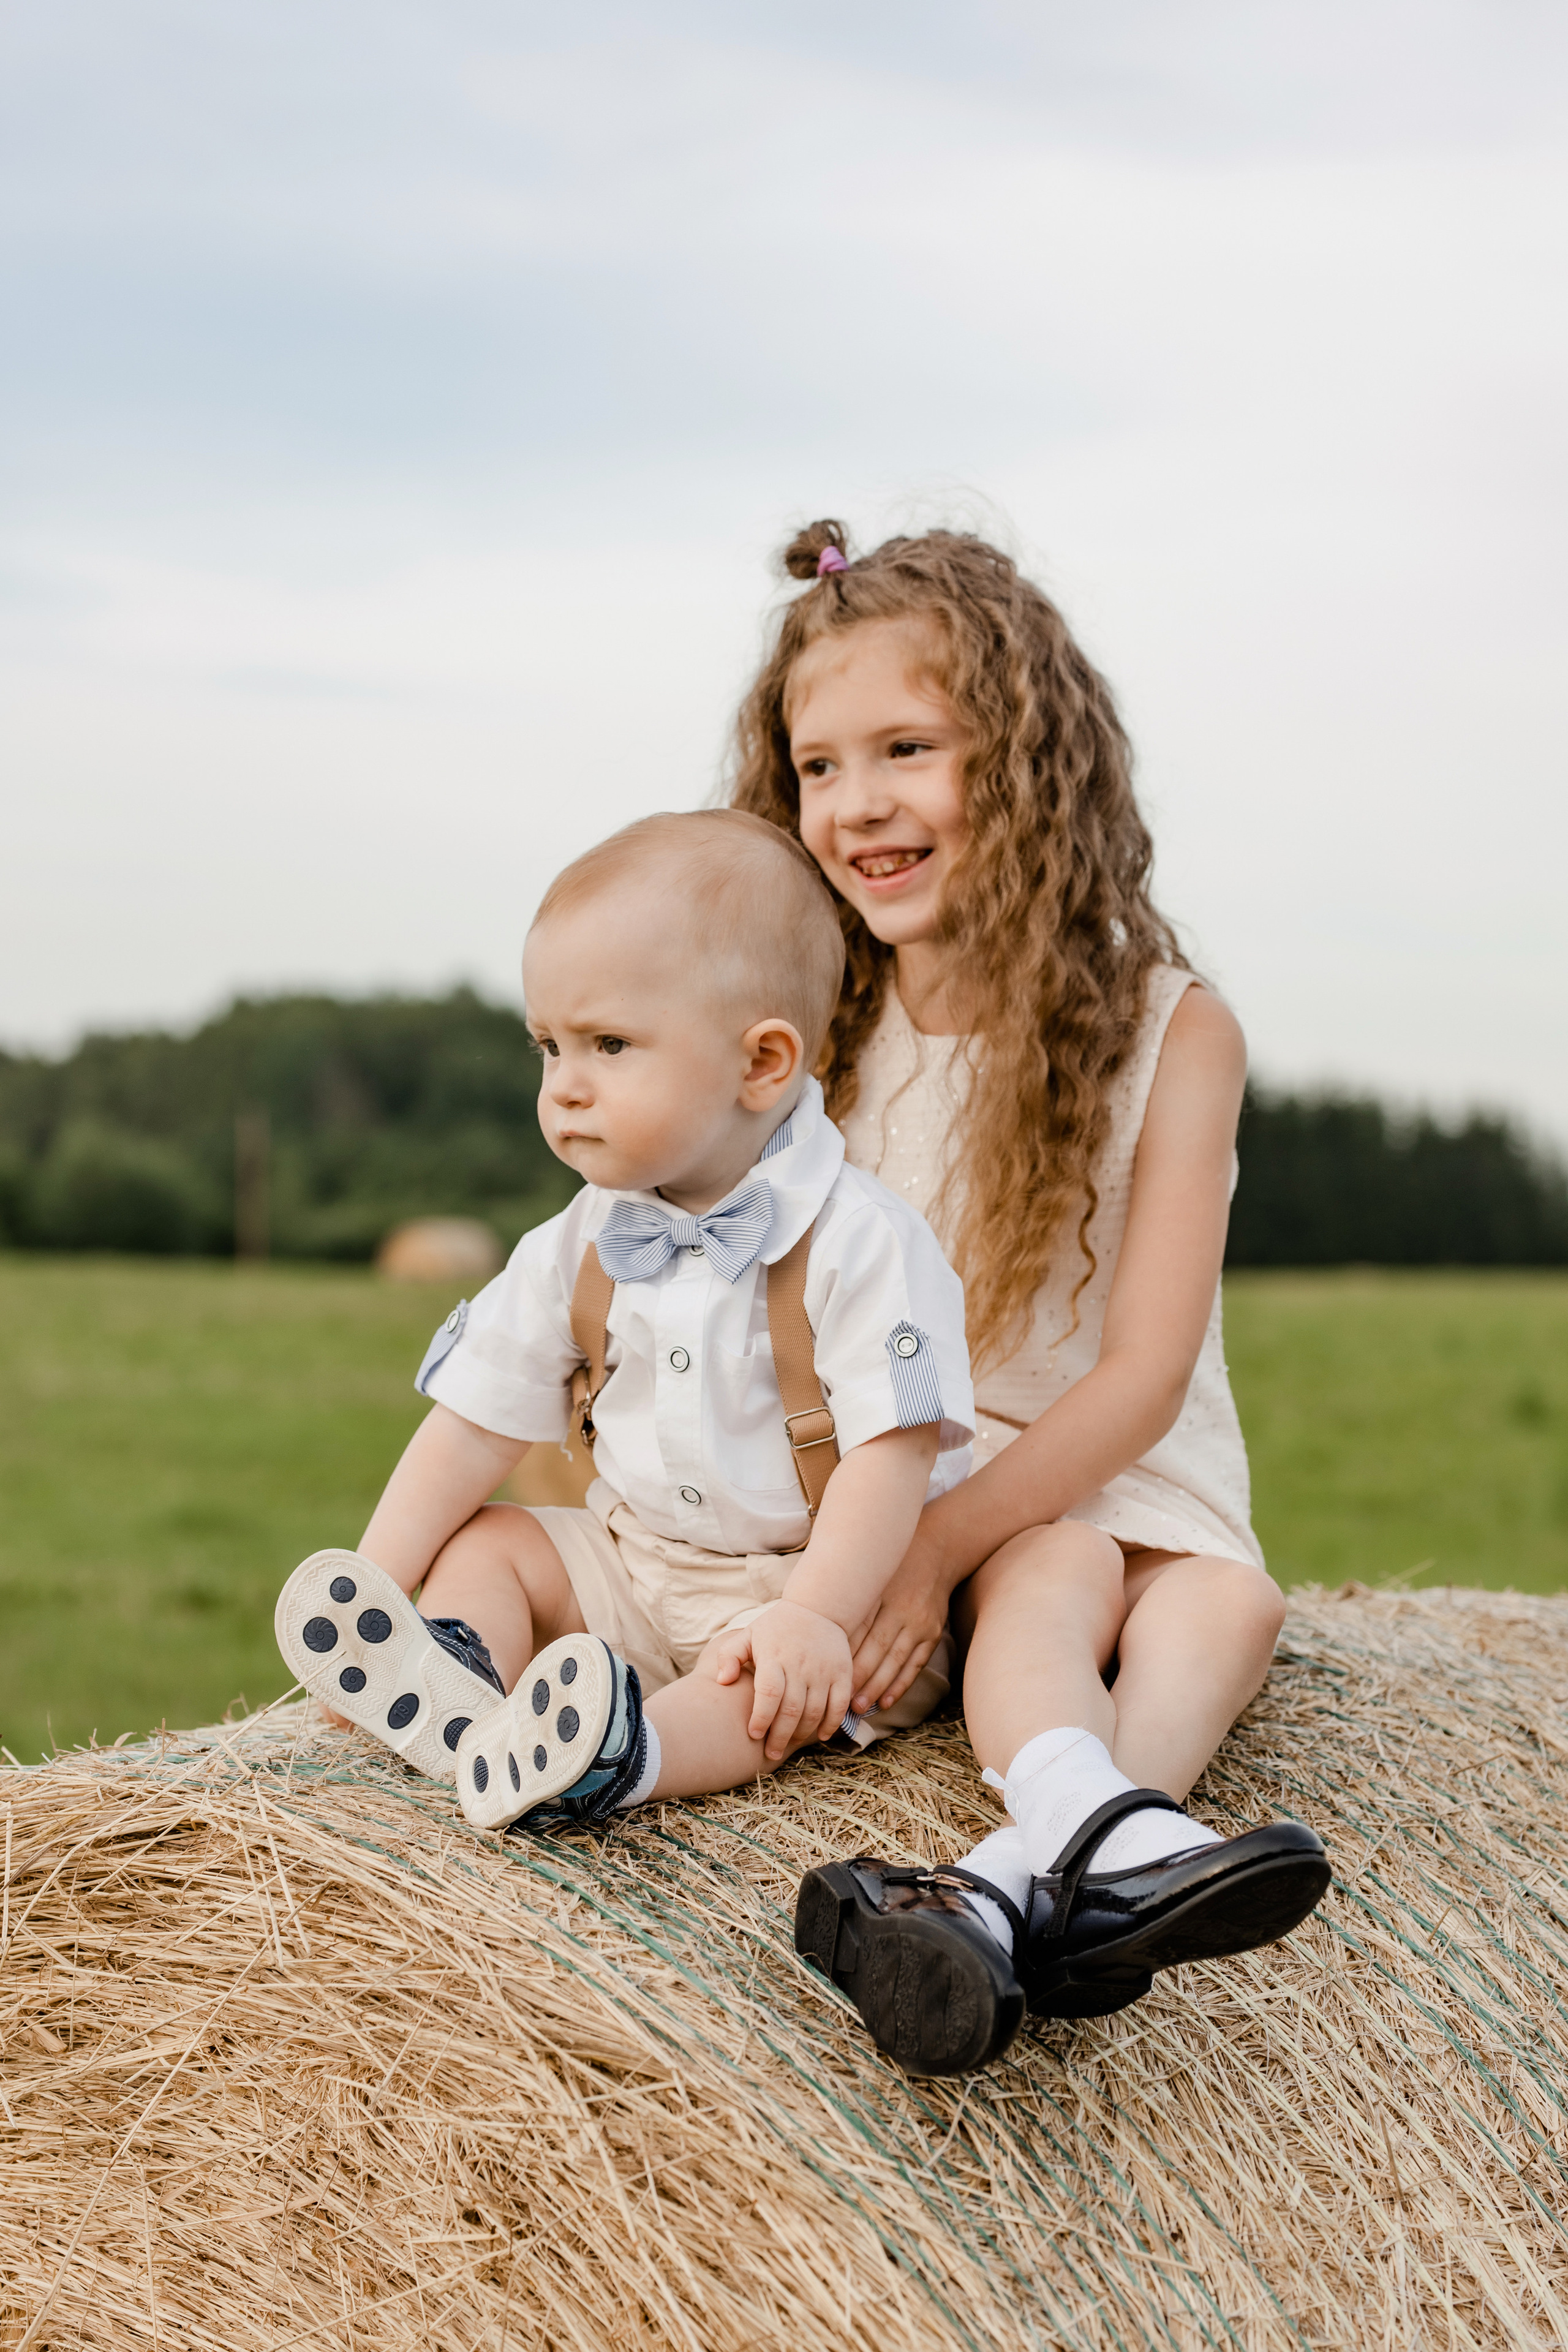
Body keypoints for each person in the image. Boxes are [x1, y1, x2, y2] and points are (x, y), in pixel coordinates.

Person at [730, 520, 1330, 2076]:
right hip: (951, 1476)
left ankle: (1000, 1891)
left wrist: (937, 1554)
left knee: (1228, 1599)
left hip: (1135, 1456)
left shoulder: (1170, 1031)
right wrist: (914, 1545)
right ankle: (1079, 1856)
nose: (857, 804)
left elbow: (1140, 1377)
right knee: (1058, 1567)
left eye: (907, 748)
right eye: (817, 767)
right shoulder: (815, 1039)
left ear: (1029, 758)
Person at [274, 810, 979, 1852]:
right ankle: (450, 1669)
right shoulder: (583, 1237)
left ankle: (623, 1763)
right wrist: (381, 1579)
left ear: (762, 1064)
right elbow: (473, 1423)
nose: (564, 1084)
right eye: (549, 1046)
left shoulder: (862, 1241)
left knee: (757, 1696)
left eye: (609, 1045)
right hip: (636, 1561)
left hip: (806, 1586)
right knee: (495, 1539)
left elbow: (891, 1452)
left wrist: (819, 1616)